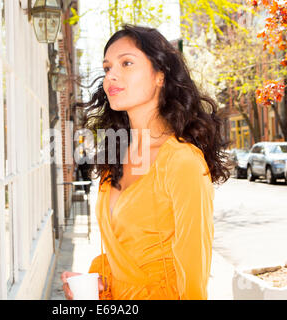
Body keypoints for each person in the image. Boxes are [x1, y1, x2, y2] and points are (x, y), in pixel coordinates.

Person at [61, 25, 230, 300]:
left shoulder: (182, 161)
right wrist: (98, 283)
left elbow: (193, 276)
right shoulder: (114, 157)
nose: (111, 75)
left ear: (160, 76)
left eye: (126, 63)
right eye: (107, 68)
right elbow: (124, 250)